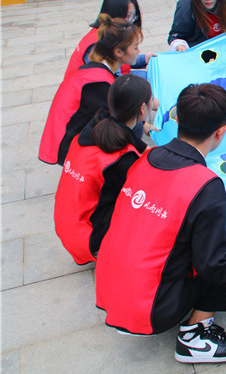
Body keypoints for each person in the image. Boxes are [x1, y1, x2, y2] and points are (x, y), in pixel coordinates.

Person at [95, 83, 226, 364]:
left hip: (109, 291)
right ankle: (195, 336)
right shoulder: (205, 185)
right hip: (151, 308)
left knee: (218, 239)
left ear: (178, 119)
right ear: (221, 132)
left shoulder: (147, 157)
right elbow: (216, 266)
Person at [54, 75, 155, 265]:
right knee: (151, 204)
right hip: (88, 239)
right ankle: (108, 251)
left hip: (66, 225)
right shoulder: (122, 160)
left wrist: (144, 149)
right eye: (152, 100)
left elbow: (130, 138)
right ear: (142, 109)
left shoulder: (92, 130)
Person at [39, 14, 143, 166]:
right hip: (67, 147)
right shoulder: (99, 84)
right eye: (135, 47)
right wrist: (144, 149)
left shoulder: (97, 70)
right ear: (118, 52)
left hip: (67, 137)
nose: (138, 51)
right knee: (134, 126)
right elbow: (118, 123)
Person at [64, 0, 152, 80]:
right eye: (129, 16)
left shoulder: (109, 34)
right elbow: (115, 81)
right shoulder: (98, 43)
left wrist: (144, 59)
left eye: (134, 16)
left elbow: (125, 58)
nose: (132, 21)